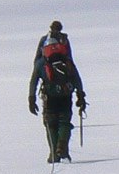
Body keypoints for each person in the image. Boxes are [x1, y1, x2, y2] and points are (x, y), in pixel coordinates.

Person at [28, 19, 87, 162]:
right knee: (64, 121)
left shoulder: (43, 55)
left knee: (50, 123)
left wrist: (31, 98)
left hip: (49, 94)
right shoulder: (65, 46)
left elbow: (34, 75)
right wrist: (80, 94)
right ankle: (62, 146)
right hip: (66, 92)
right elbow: (74, 73)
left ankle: (54, 152)